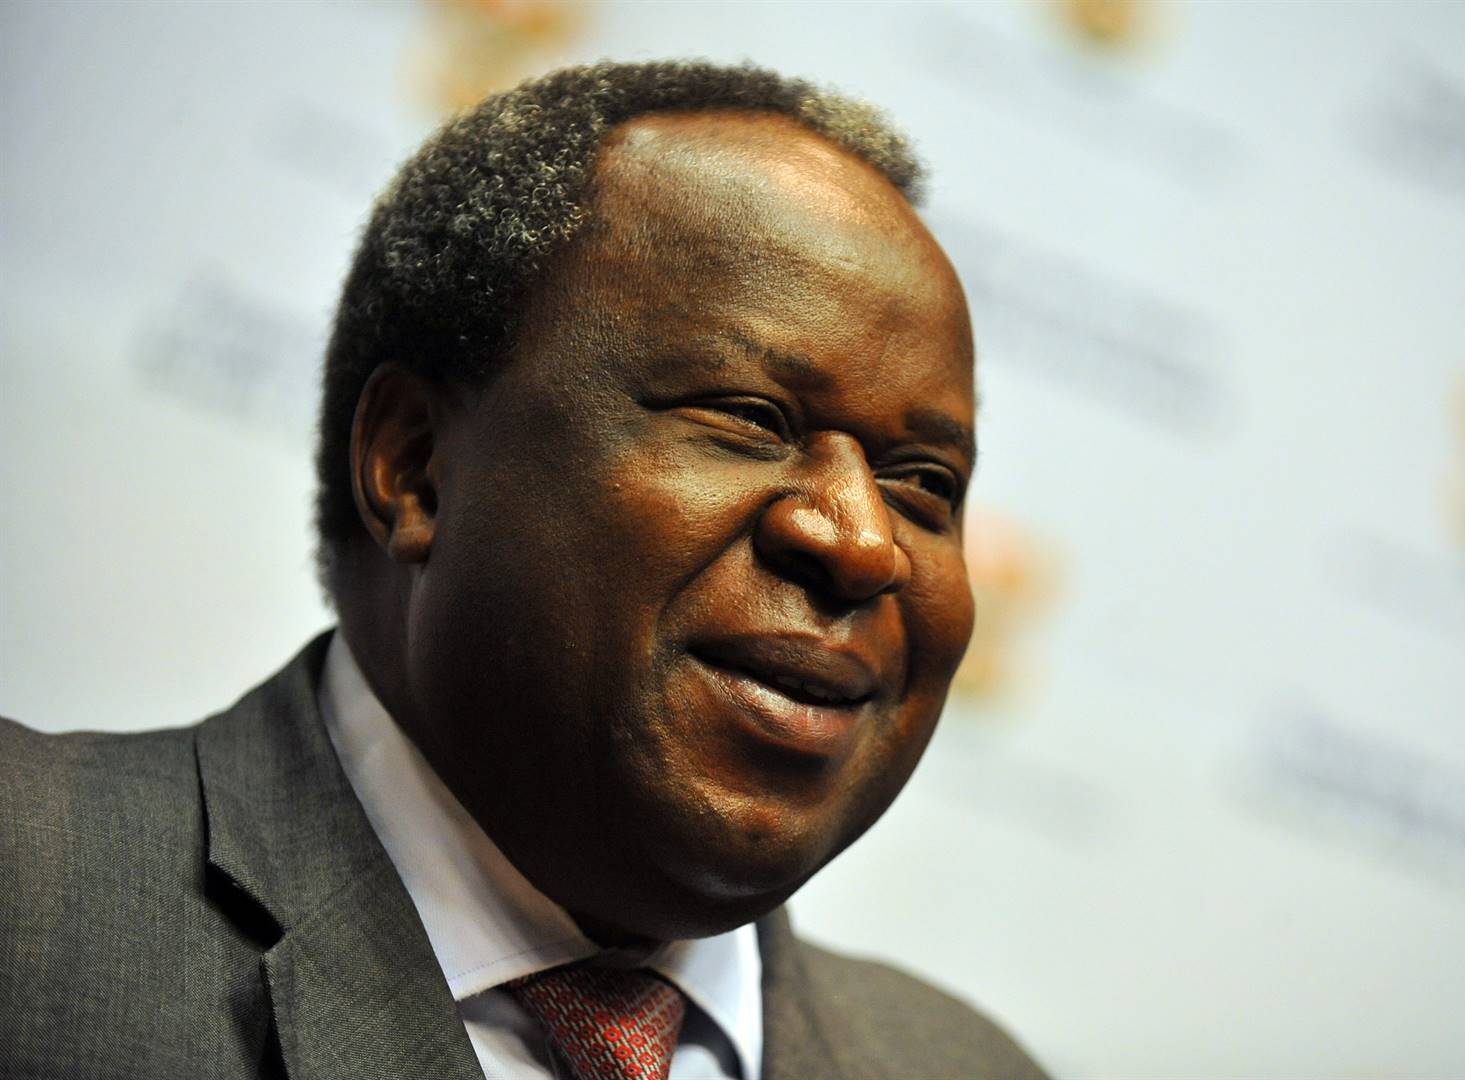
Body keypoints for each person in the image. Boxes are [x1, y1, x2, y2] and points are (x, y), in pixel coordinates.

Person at [1, 60, 1047, 1080]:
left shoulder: (968, 1067)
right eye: (747, 417)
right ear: (415, 465)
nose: (861, 542)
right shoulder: (30, 900)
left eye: (923, 482)